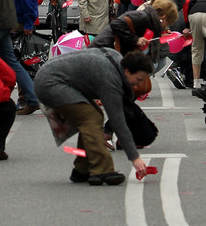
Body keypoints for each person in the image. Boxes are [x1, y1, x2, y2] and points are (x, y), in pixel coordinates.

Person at [34, 47, 153, 185]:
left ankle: (82, 169)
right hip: (50, 84)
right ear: (127, 71)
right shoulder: (111, 80)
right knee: (91, 118)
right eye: (138, 79)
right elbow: (118, 122)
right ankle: (102, 170)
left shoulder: (116, 58)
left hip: (52, 77)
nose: (138, 84)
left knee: (95, 115)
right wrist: (135, 157)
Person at [90, 0, 178, 56]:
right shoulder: (143, 17)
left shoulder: (149, 18)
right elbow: (116, 24)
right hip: (102, 50)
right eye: (168, 22)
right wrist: (136, 40)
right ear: (163, 17)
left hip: (107, 52)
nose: (166, 26)